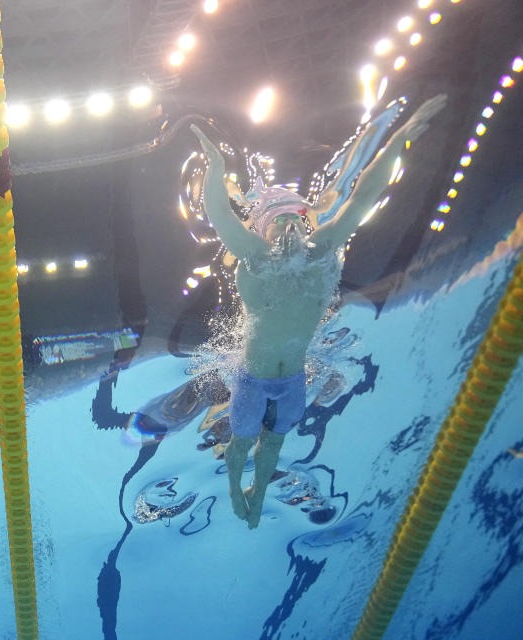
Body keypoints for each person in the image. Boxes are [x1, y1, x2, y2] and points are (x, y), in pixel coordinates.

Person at [190, 94, 446, 529]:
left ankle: (260, 491)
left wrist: (400, 139)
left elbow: (363, 196)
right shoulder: (254, 256)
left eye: (296, 218)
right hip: (251, 378)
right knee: (242, 443)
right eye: (279, 220)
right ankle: (236, 489)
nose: (290, 225)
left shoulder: (322, 249)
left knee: (272, 445)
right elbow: (219, 213)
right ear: (263, 227)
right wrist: (215, 166)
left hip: (292, 382)